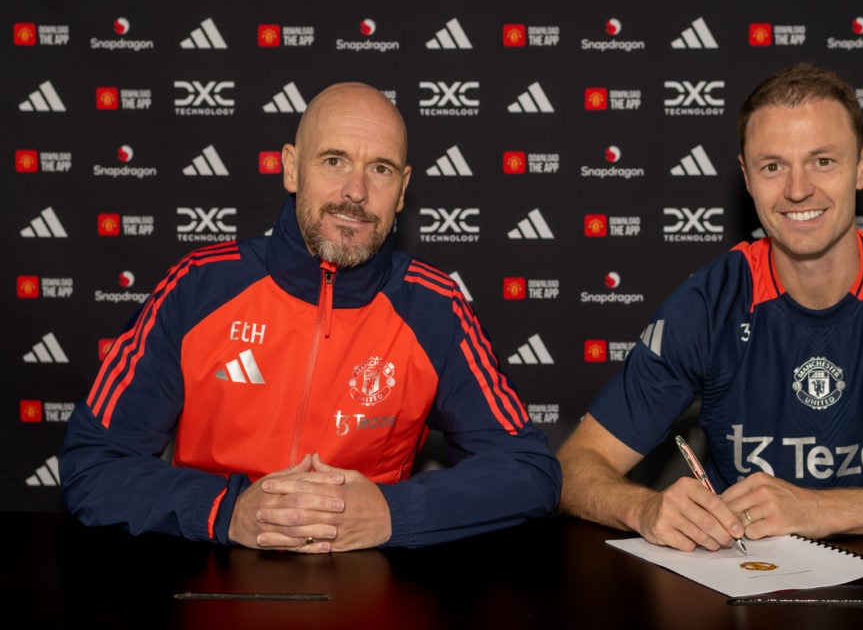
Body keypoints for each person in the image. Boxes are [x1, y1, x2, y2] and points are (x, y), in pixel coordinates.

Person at [556, 62, 863, 551]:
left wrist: (828, 509)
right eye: (773, 167)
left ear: (862, 165)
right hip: (745, 581)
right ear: (747, 178)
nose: (798, 190)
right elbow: (575, 468)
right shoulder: (710, 301)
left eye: (823, 161)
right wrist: (643, 510)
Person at [60, 81, 561, 552]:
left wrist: (392, 512)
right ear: (292, 169)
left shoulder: (434, 306)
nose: (356, 191)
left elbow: (528, 470)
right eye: (334, 161)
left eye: (381, 169)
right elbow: (93, 464)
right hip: (211, 572)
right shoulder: (198, 286)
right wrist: (228, 510)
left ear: (403, 191)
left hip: (368, 585)